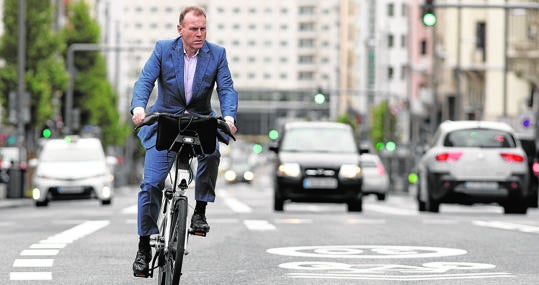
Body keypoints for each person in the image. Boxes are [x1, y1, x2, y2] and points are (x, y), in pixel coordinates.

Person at [130, 6, 238, 277]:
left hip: (201, 120)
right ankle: (144, 247)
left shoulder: (217, 54)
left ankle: (199, 211)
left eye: (203, 29)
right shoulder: (164, 49)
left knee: (212, 154)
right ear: (180, 30)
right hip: (166, 121)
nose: (199, 34)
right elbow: (145, 81)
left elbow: (226, 87)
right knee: (151, 184)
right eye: (194, 29)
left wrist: (229, 115)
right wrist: (139, 109)